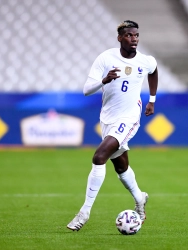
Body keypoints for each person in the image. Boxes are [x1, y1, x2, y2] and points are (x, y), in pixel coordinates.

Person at [67, 20, 158, 231]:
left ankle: (84, 213)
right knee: (120, 165)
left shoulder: (145, 61)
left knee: (99, 157)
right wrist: (104, 81)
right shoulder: (106, 58)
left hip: (129, 118)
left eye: (136, 35)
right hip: (108, 118)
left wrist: (152, 99)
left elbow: (153, 71)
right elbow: (86, 90)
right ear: (120, 38)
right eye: (129, 35)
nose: (133, 39)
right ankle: (140, 197)